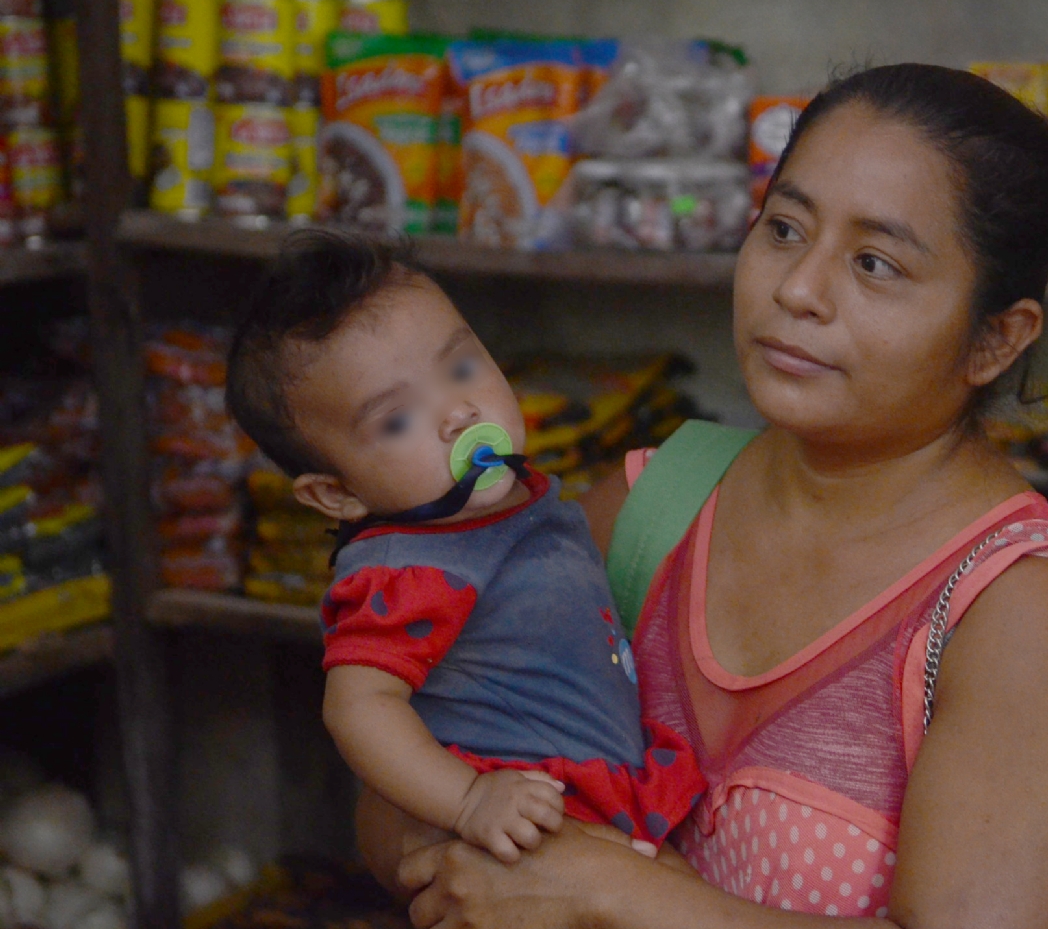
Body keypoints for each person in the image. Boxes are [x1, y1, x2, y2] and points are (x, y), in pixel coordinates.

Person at [363, 63, 1048, 929]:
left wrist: (608, 891)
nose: (797, 289)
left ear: (996, 339)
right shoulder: (646, 511)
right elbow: (396, 810)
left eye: (875, 263)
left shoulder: (1028, 610)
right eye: (783, 228)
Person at [224, 231, 704, 866]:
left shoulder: (517, 503)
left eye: (460, 368)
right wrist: (468, 801)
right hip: (529, 816)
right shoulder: (412, 568)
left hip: (595, 791)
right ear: (338, 494)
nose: (456, 412)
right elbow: (358, 707)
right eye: (396, 419)